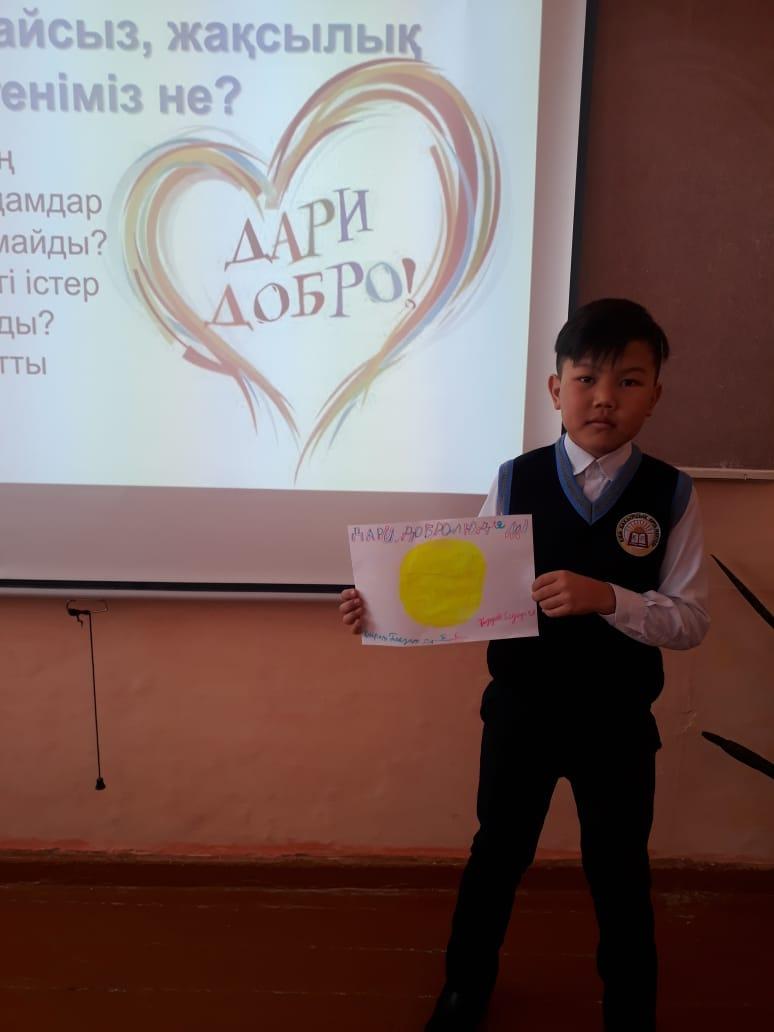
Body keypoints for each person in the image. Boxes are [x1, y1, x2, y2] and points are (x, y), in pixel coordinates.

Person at [339, 298, 709, 1031]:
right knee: (498, 854)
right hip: (522, 713)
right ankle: (464, 989)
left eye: (629, 382)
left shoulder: (672, 493)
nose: (604, 398)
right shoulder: (515, 480)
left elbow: (690, 620)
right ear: (555, 388)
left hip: (617, 722)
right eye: (587, 379)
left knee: (619, 870)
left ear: (655, 395)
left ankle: (630, 1008)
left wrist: (610, 598)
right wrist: (379, 607)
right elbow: (460, 589)